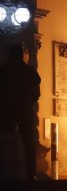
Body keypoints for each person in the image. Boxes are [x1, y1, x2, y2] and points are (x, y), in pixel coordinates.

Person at [0, 44, 41, 180]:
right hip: (24, 109)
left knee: (7, 139)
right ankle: (31, 173)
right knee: (28, 140)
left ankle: (7, 171)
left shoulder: (4, 71)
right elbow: (36, 93)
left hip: (7, 109)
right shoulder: (29, 72)